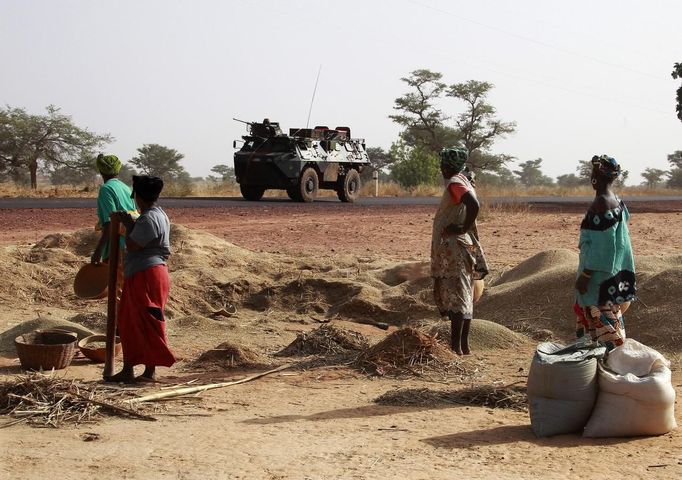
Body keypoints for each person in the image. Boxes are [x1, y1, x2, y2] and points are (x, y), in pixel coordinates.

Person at [106, 175, 175, 383]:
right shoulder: (159, 214)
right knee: (145, 319)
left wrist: (128, 224)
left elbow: (134, 245)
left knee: (135, 321)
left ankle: (133, 370)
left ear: (137, 196)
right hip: (152, 273)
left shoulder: (148, 218)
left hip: (145, 273)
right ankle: (144, 370)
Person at [574, 155, 636, 351]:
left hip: (598, 278)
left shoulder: (601, 203)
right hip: (613, 273)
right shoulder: (616, 200)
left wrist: (585, 275)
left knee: (605, 331)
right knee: (610, 324)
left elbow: (604, 247)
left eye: (592, 174)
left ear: (596, 178)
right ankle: (608, 366)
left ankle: (609, 365)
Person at [431, 147, 489, 355]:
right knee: (464, 295)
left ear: (448, 166)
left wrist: (462, 227)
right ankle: (463, 347)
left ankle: (455, 347)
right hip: (461, 247)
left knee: (458, 297)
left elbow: (473, 205)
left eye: (443, 166)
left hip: (455, 248)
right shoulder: (463, 180)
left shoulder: (456, 182)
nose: (441, 169)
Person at [91, 154, 137, 265]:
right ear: (118, 170)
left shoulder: (106, 189)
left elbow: (110, 223)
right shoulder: (126, 188)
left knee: (114, 280)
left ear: (101, 171)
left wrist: (98, 251)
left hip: (116, 247)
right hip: (131, 242)